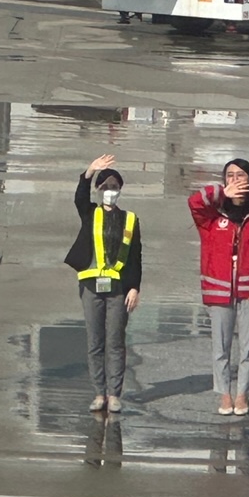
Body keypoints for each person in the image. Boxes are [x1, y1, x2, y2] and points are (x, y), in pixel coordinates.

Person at [188, 158, 249, 417]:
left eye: (240, 175)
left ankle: (242, 394)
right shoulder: (212, 216)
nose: (235, 179)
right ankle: (224, 394)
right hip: (219, 290)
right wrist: (220, 192)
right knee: (221, 347)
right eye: (230, 175)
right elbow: (193, 202)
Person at [64, 154, 142, 414]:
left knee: (116, 341)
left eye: (114, 186)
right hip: (90, 286)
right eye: (105, 186)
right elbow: (79, 197)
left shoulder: (130, 220)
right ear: (99, 190)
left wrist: (134, 287)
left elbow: (136, 256)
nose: (110, 191)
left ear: (120, 190)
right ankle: (99, 393)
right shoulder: (90, 213)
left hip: (118, 289)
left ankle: (114, 394)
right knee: (95, 342)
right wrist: (90, 171)